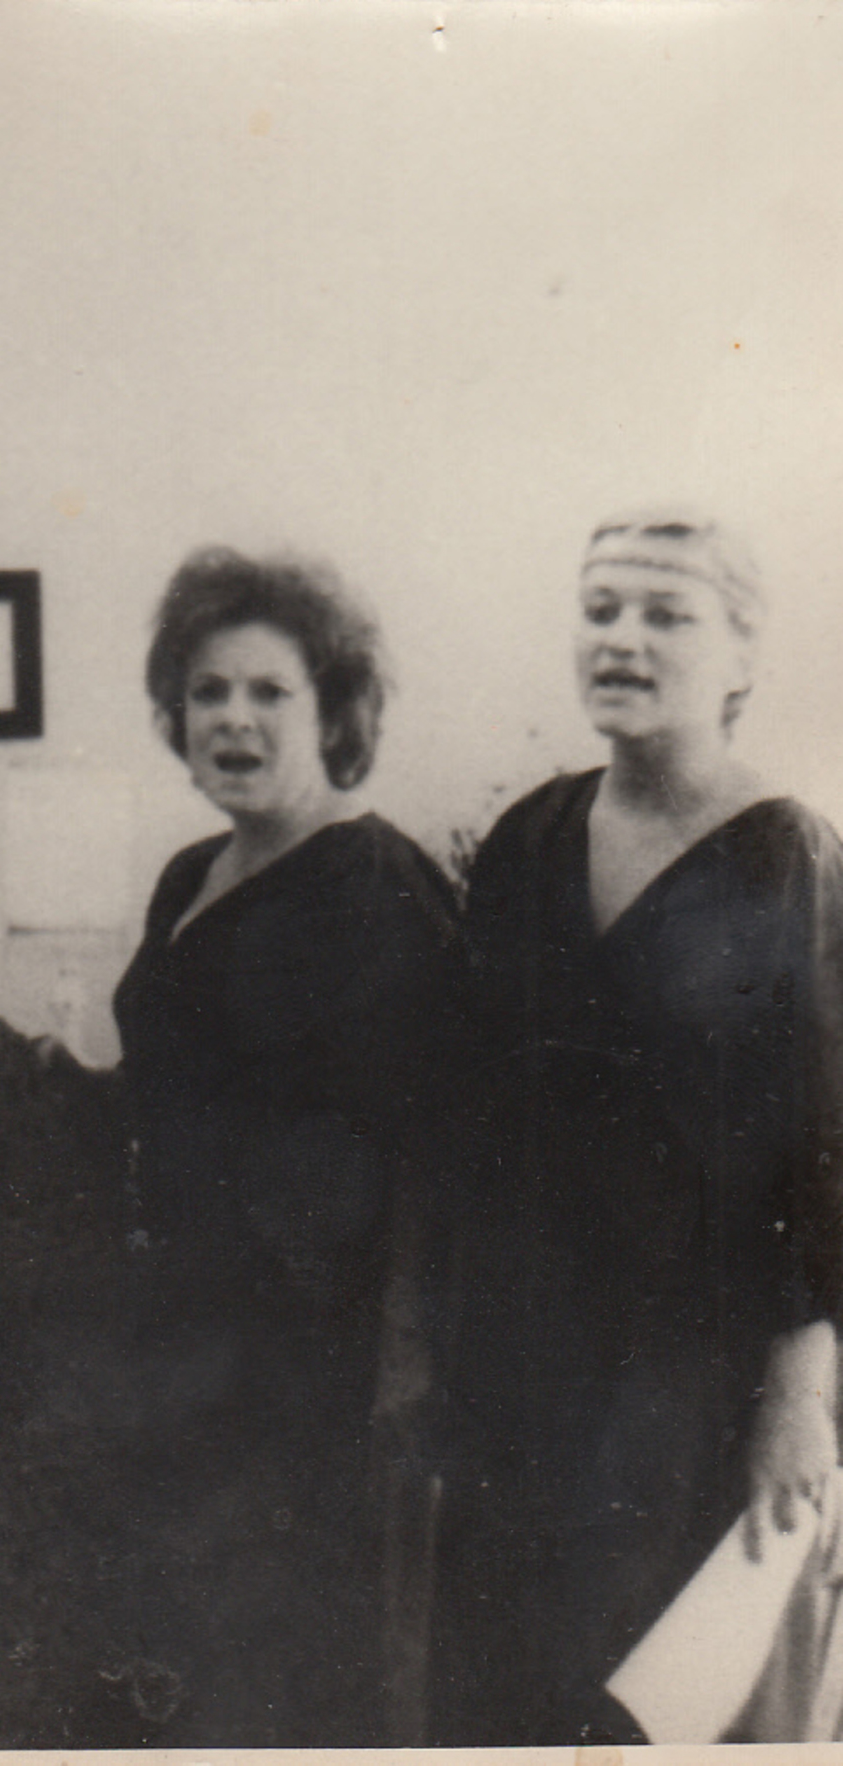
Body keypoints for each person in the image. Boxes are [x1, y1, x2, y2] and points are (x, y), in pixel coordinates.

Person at [13, 548, 464, 1747]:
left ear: (335, 711)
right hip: (168, 1358)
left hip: (290, 1390)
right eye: (208, 691)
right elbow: (185, 1091)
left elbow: (392, 1171)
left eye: (270, 691)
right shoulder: (189, 873)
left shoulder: (377, 891)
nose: (233, 718)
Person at [431, 512, 843, 1744]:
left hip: (691, 1383)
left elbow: (825, 1148)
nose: (623, 638)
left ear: (741, 658)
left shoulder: (788, 858)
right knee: (499, 1701)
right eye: (601, 608)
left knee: (646, 1713)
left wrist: (799, 1393)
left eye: (666, 614)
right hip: (519, 1365)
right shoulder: (528, 839)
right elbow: (467, 1116)